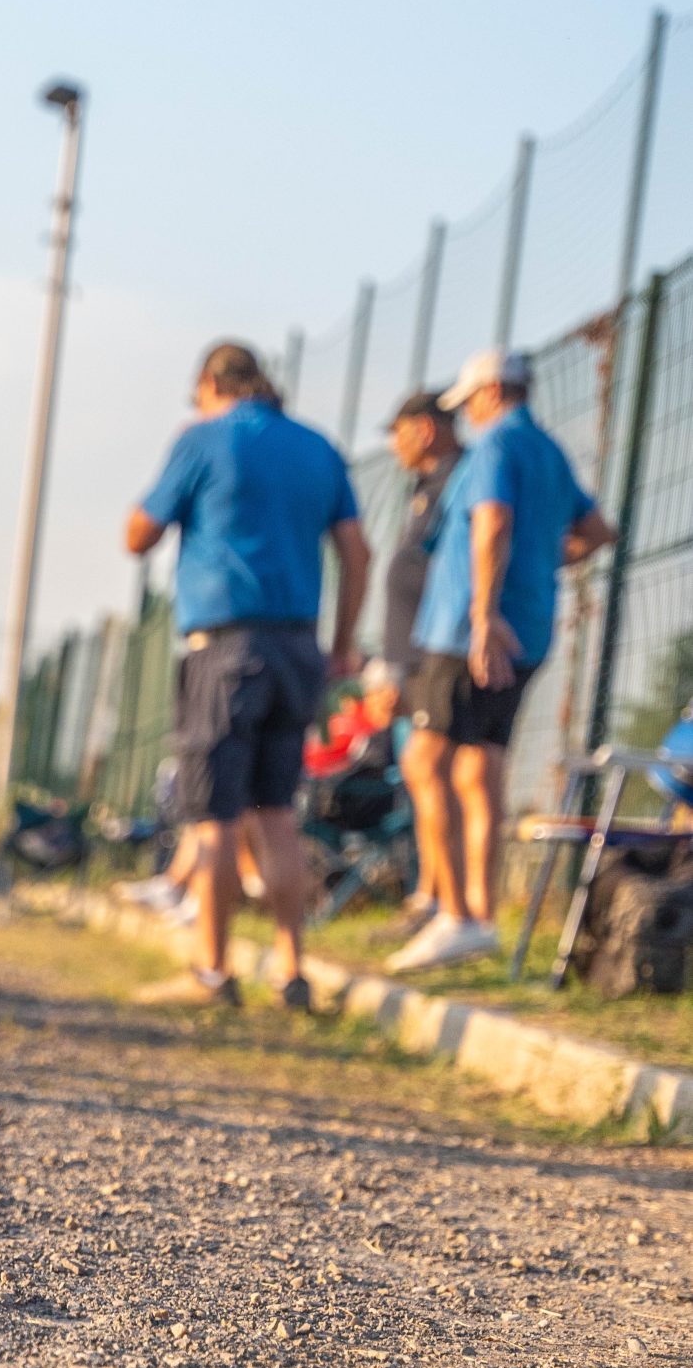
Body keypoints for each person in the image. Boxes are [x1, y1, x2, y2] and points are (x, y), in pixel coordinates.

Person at [124, 340, 370, 1007]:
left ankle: (212, 969)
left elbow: (136, 535)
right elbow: (355, 550)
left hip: (225, 646)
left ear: (210, 384)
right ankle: (290, 967)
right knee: (276, 813)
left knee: (215, 819)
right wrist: (341, 644)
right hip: (297, 648)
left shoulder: (204, 439)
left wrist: (183, 453)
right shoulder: (318, 448)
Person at [388, 347, 615, 976]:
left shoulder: (494, 447)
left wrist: (484, 613)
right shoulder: (549, 450)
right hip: (529, 632)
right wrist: (543, 567)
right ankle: (478, 917)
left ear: (489, 392)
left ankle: (455, 913)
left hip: (468, 634)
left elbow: (490, 522)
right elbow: (598, 531)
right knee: (479, 769)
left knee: (424, 757)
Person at [376, 389, 461, 943]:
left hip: (438, 655)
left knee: (436, 772)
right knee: (420, 771)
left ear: (425, 429)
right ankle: (429, 893)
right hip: (415, 660)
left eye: (398, 430)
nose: (392, 444)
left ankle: (444, 901)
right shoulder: (424, 489)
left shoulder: (458, 479)